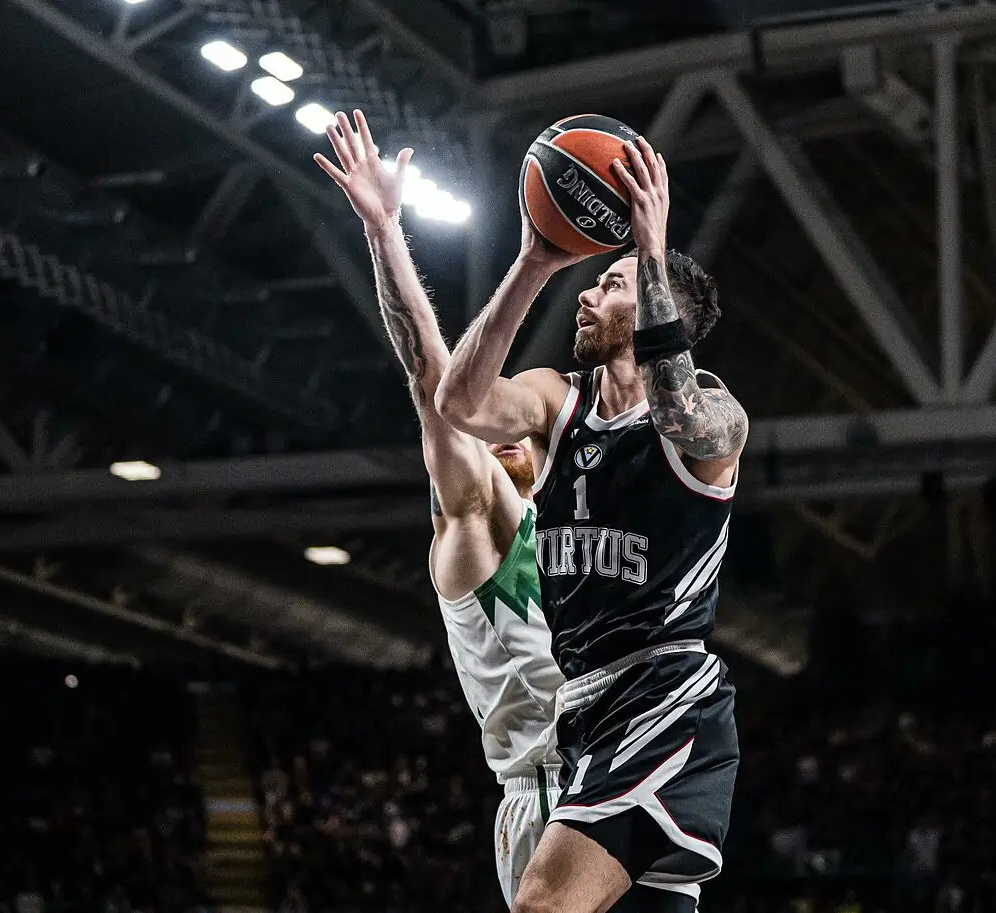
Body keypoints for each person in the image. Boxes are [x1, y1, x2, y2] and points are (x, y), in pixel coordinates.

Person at [437, 134, 745, 913]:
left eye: (604, 284)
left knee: (542, 903)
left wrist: (648, 251)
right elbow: (460, 403)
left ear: (646, 303)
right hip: (583, 709)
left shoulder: (716, 417)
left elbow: (678, 414)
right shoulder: (557, 402)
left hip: (664, 697)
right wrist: (533, 264)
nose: (586, 294)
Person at [313, 109, 562, 905]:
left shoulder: (575, 524)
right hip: (552, 790)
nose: (507, 437)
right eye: (494, 434)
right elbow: (434, 384)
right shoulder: (482, 519)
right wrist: (385, 230)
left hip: (620, 777)